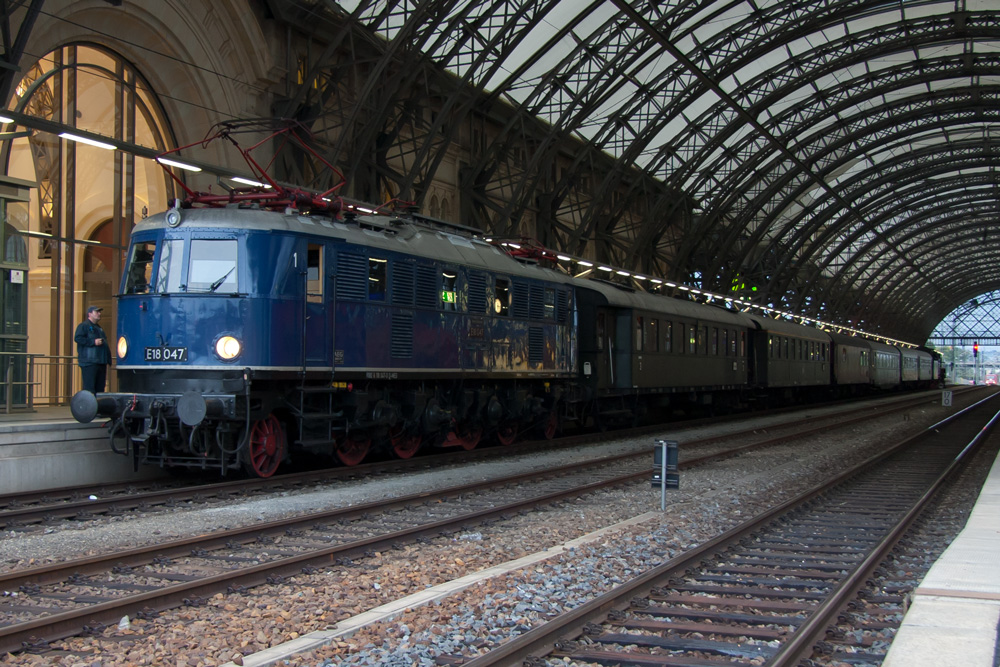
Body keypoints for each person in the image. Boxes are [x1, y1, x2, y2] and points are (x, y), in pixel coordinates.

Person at [75, 305, 111, 394]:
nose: (99, 314)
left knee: (100, 388)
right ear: (90, 314)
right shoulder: (84, 326)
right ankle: (90, 407)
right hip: (89, 362)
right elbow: (78, 338)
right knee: (90, 388)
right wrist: (93, 342)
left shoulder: (99, 328)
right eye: (97, 312)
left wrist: (107, 360)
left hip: (100, 362)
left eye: (100, 312)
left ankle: (98, 406)